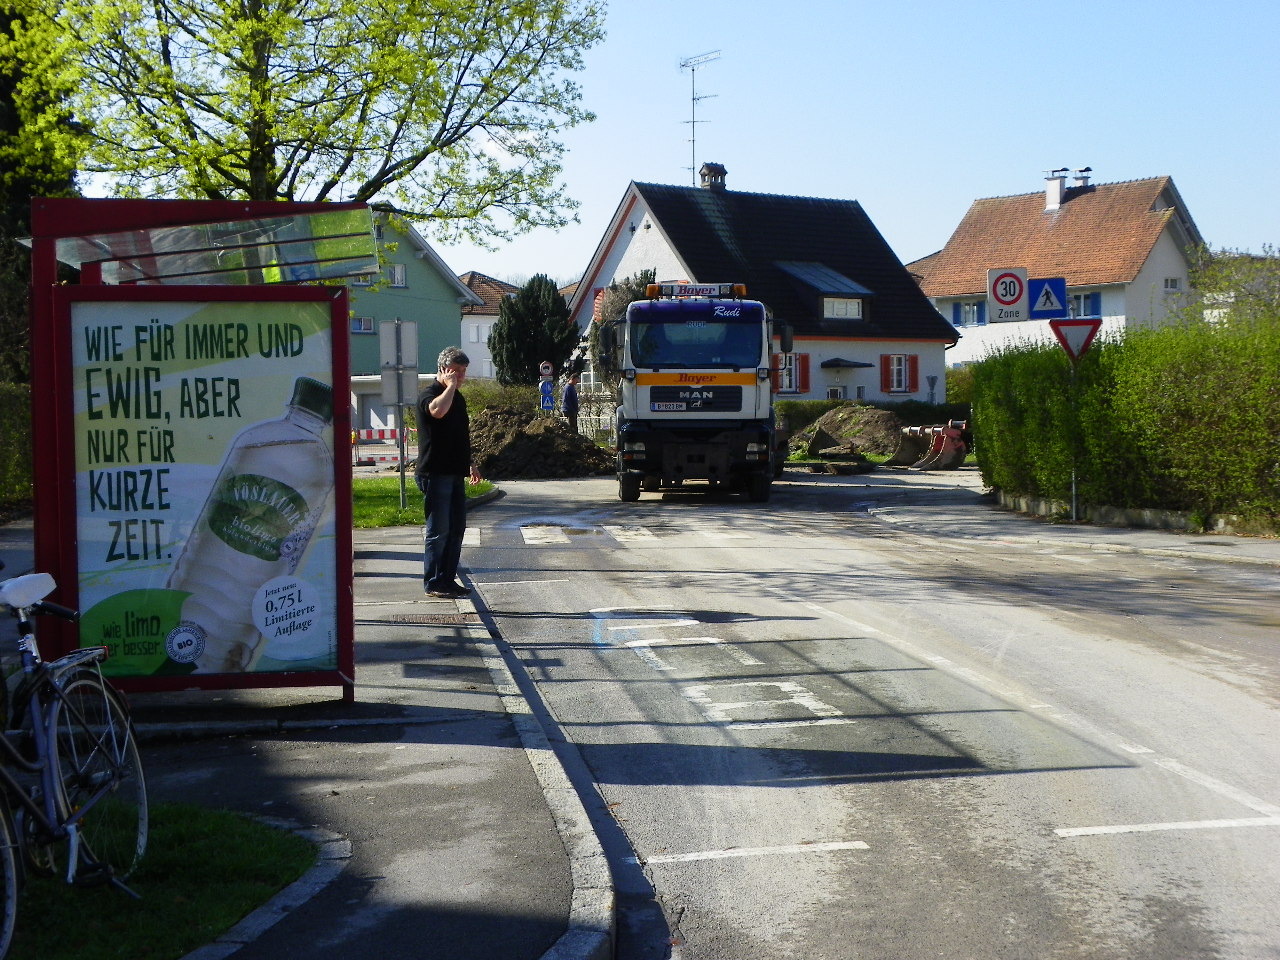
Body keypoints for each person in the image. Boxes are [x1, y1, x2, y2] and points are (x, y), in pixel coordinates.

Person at [415, 347, 482, 598]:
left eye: (464, 371)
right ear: (443, 369)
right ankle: (433, 582)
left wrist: (470, 463)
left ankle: (447, 579)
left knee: (456, 530)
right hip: (435, 473)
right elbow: (437, 411)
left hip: (454, 472)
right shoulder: (429, 394)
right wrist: (450, 386)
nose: (461, 376)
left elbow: (460, 435)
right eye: (456, 371)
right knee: (439, 531)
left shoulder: (458, 399)